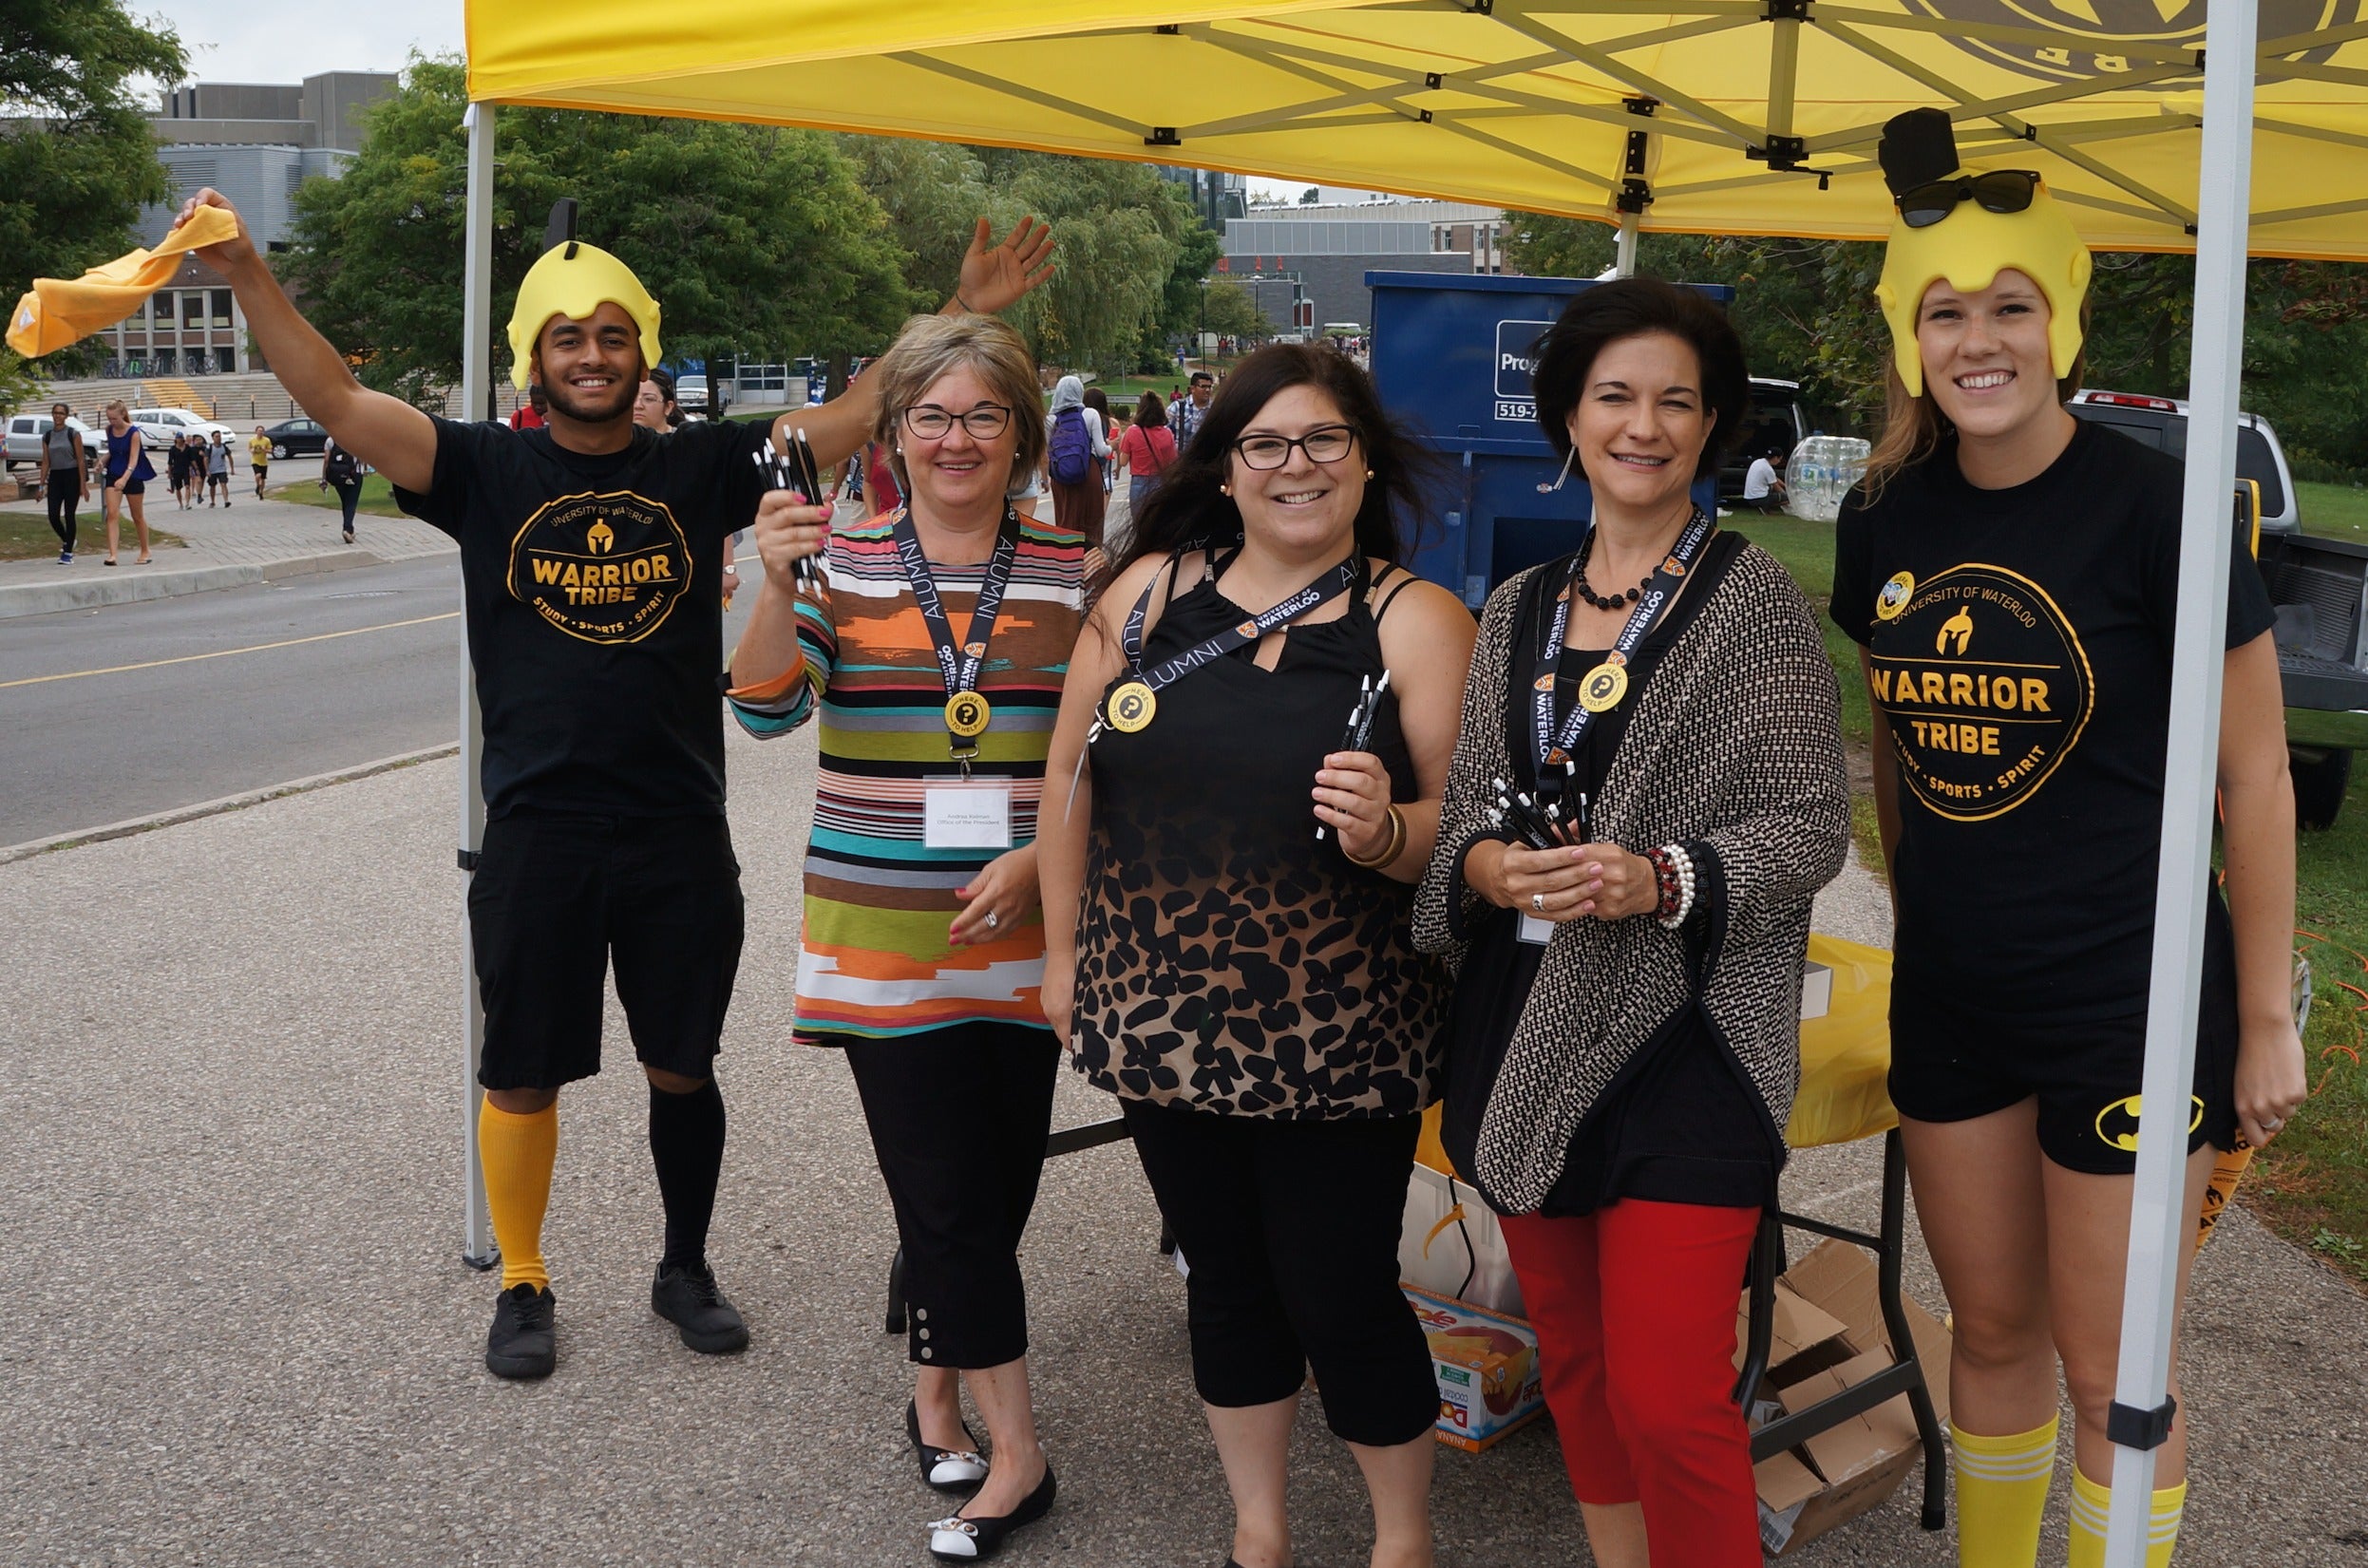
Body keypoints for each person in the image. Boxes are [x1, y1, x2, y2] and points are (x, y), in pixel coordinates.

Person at [166, 185, 1054, 1386]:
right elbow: (331, 396)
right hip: (536, 826)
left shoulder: (702, 465)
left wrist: (961, 309)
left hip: (679, 825)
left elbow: (856, 415)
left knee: (682, 1064)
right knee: (522, 1064)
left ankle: (683, 1264)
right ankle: (525, 1278)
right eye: (568, 336)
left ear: (641, 346)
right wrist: (248, 275)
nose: (593, 354)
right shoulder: (478, 467)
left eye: (612, 334)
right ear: (537, 356)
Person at [1833, 110, 2306, 1568]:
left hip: (2129, 997)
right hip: (1960, 989)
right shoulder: (1882, 517)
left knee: (2114, 1369)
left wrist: (2265, 1014)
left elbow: (2259, 772)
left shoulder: (2158, 505)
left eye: (2010, 307)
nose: (1980, 339)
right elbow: (1904, 757)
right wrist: (1928, 916)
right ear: (1913, 339)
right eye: (1947, 311)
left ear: (2061, 322)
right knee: (1988, 1326)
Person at [1411, 278, 1847, 1568]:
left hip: (1688, 1043)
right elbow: (1471, 824)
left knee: (1672, 1393)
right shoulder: (1521, 604)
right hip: (1527, 1026)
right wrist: (1489, 870)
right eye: (1614, 395)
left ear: (1711, 427)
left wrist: (1659, 877)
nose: (1642, 424)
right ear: (1569, 415)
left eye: (1674, 401)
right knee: (1584, 1362)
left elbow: (1808, 827)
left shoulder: (1754, 601)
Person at [1039, 344, 1477, 1568]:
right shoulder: (1142, 595)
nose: (1297, 466)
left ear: (1364, 461)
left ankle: (1402, 1538)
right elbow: (1067, 780)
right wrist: (1063, 951)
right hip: (1163, 1019)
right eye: (1267, 445)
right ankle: (1259, 1529)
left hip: (1343, 1029)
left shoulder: (1418, 620)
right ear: (1226, 471)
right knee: (1225, 1278)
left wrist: (1392, 828)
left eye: (1324, 441)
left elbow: (1468, 832)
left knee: (1339, 1290)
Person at [728, 312, 1082, 1564]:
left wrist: (1042, 848)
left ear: (1022, 437)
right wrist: (774, 585)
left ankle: (936, 1390)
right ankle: (1020, 1454)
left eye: (985, 414)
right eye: (932, 415)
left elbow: (1106, 756)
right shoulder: (840, 556)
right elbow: (765, 709)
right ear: (891, 436)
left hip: (1029, 931)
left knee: (994, 1189)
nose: (957, 438)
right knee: (944, 1195)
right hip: (882, 933)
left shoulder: (1074, 572)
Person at [1042, 373, 1108, 547]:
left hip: (1061, 476)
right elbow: (1101, 450)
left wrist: (1044, 479)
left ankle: (1066, 562)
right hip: (1089, 471)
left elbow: (1044, 455)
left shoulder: (1050, 420)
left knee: (1065, 520)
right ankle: (1092, 562)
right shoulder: (1090, 414)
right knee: (1092, 522)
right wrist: (1112, 447)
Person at [100, 402, 155, 565]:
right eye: (109, 418)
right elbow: (113, 450)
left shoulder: (134, 433)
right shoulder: (109, 430)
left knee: (137, 516)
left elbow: (133, 459)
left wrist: (124, 479)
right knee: (112, 514)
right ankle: (113, 555)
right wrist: (102, 462)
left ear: (122, 415)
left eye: (114, 418)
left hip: (133, 475)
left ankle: (145, 550)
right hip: (113, 473)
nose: (112, 422)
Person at [1114, 390, 1177, 522]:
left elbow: (1123, 461)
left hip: (1139, 483)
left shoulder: (1132, 432)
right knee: (1157, 524)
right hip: (1160, 481)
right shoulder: (1167, 433)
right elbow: (1173, 461)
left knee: (1139, 525)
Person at [42, 402, 89, 564]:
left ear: (66, 416)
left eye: (61, 413)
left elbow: (81, 460)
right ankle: (68, 539)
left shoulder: (73, 434)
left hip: (72, 476)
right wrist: (41, 485)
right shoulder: (48, 436)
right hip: (55, 477)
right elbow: (46, 461)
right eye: (55, 413)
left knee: (69, 514)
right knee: (53, 515)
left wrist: (83, 484)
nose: (58, 416)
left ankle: (67, 553)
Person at [320, 435, 365, 543]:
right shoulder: (357, 438)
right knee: (351, 503)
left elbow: (326, 460)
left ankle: (350, 529)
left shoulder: (330, 440)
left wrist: (324, 479)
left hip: (336, 475)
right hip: (354, 474)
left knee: (345, 502)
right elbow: (363, 457)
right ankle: (346, 529)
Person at [1081, 385, 1115, 495]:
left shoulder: (1080, 418)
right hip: (1103, 471)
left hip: (1082, 469)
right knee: (1100, 511)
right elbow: (1109, 450)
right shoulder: (1110, 422)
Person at [1171, 368, 1215, 450]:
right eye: (1203, 386)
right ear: (1192, 389)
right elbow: (1164, 433)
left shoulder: (1215, 409)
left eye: (1209, 387)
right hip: (1182, 459)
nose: (1207, 390)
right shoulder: (1178, 407)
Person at [1741, 447, 1786, 513]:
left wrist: (1785, 486)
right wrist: (1786, 495)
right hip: (1759, 498)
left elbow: (1774, 478)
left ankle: (1764, 506)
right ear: (1775, 458)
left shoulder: (1758, 462)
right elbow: (1776, 486)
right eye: (1779, 459)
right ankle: (1764, 506)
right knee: (1788, 499)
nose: (1779, 461)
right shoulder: (1768, 469)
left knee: (1770, 487)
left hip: (1749, 497)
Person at [205, 430, 232, 505]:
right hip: (212, 470)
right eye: (216, 437)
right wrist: (207, 470)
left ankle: (226, 500)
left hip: (222, 469)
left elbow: (229, 456)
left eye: (219, 436)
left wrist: (232, 468)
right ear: (213, 438)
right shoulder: (209, 447)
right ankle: (213, 501)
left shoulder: (224, 446)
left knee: (223, 484)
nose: (218, 438)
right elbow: (206, 459)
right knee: (212, 486)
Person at [249, 424, 273, 498]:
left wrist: (264, 450)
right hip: (255, 460)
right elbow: (249, 448)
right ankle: (258, 486)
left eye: (262, 431)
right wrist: (251, 450)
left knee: (263, 479)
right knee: (258, 475)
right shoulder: (252, 440)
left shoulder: (266, 440)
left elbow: (271, 451)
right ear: (256, 432)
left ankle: (261, 492)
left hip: (264, 461)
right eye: (259, 431)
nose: (260, 432)